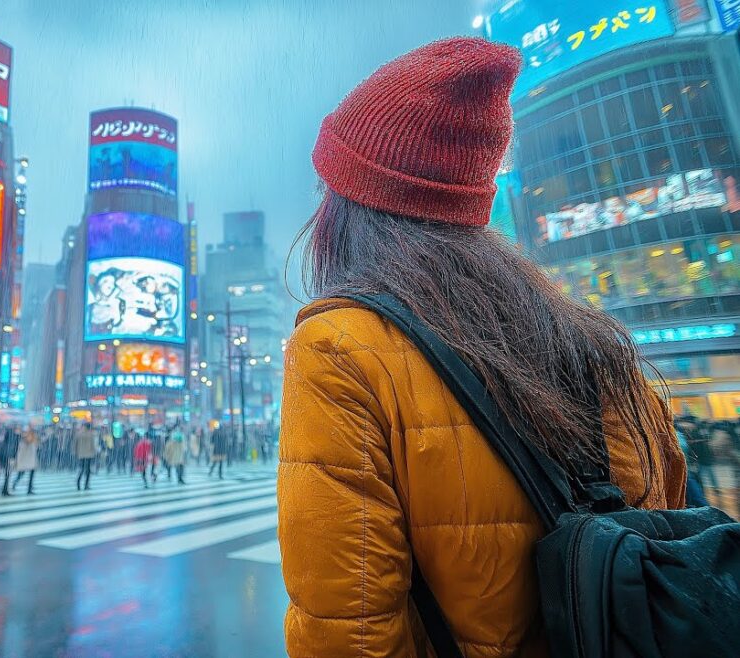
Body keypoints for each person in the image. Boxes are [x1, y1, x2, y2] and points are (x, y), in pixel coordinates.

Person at [277, 38, 686, 656]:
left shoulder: (339, 346)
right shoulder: (589, 338)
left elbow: (351, 634)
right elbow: (664, 517)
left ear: (353, 206)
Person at [13, 426, 40, 494]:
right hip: (25, 459)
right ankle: (15, 483)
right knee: (21, 473)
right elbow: (29, 442)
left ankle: (29, 488)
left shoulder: (32, 437)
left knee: (30, 474)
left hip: (30, 459)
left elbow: (36, 444)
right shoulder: (24, 438)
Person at [74, 422, 96, 491]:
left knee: (81, 469)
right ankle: (86, 485)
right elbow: (92, 445)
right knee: (88, 470)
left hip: (81, 455)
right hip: (89, 455)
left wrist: (76, 453)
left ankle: (78, 483)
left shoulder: (78, 434)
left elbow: (75, 444)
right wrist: (94, 453)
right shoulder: (91, 434)